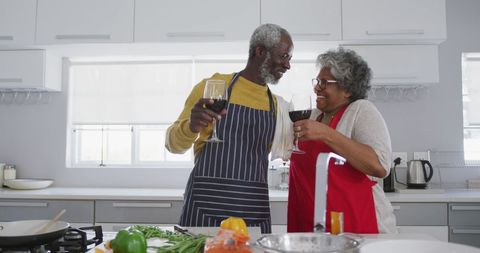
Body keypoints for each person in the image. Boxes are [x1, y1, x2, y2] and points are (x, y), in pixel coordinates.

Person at [165, 23, 294, 234]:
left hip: (253, 215)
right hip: (204, 212)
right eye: (284, 56)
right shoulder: (213, 86)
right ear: (260, 51)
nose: (288, 65)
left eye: (289, 58)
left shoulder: (278, 105)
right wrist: (191, 126)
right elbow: (172, 145)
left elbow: (288, 152)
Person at [288, 47, 397, 234]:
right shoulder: (313, 116)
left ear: (346, 89)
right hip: (310, 225)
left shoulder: (361, 110)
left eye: (324, 82)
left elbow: (379, 166)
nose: (316, 87)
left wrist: (326, 134)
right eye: (317, 81)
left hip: (356, 225)